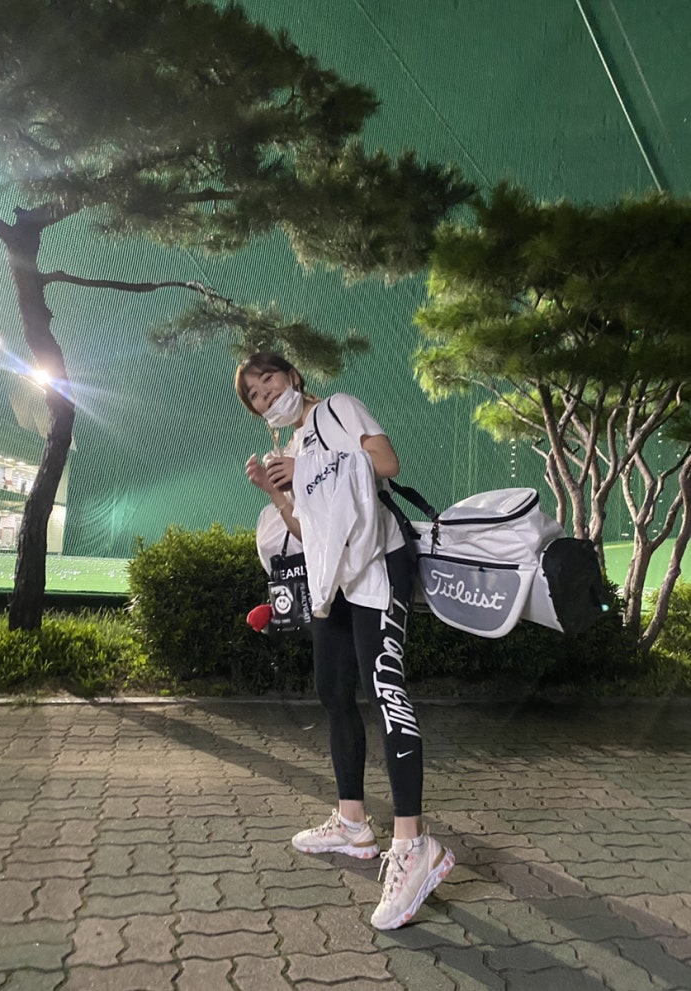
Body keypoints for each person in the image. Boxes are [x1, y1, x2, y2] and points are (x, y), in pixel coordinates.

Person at [235, 352, 455, 930]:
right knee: (333, 692)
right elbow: (306, 529)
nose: (265, 395)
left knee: (386, 692)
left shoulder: (337, 409)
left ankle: (414, 846)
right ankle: (354, 824)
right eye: (254, 395)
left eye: (268, 380)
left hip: (379, 563)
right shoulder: (294, 447)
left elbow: (385, 461)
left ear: (292, 376)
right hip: (333, 574)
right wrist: (276, 489)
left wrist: (307, 468)